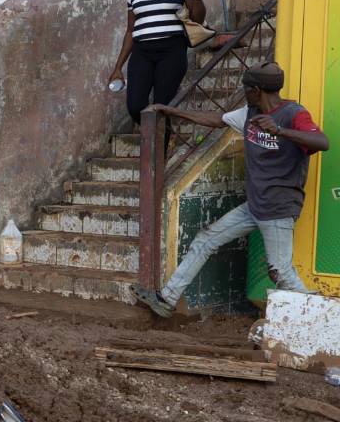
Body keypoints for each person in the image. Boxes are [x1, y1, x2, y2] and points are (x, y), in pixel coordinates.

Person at [132, 62, 329, 317]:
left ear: (256, 90)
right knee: (206, 239)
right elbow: (217, 120)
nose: (244, 92)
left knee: (281, 273)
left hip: (278, 207)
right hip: (255, 205)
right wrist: (170, 110)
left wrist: (280, 131)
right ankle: (166, 299)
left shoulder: (294, 114)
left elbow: (321, 142)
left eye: (246, 88)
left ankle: (321, 319)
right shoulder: (250, 113)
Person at [109, 0, 206, 126]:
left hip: (172, 50)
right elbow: (131, 30)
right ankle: (154, 142)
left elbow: (197, 19)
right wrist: (118, 67)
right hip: (141, 52)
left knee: (162, 107)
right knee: (135, 105)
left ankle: (158, 152)